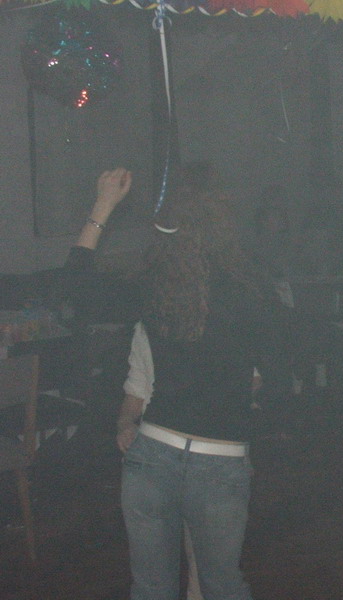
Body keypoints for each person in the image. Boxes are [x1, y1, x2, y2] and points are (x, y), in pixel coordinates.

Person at [68, 166, 282, 600]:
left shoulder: (158, 285)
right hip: (218, 459)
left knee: (152, 590)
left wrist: (104, 204)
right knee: (223, 587)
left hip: (154, 456)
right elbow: (276, 374)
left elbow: (77, 287)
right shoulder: (251, 288)